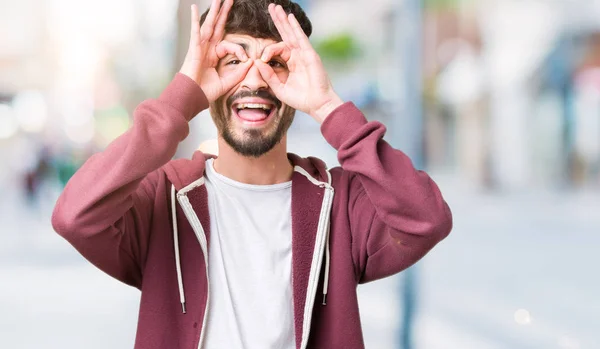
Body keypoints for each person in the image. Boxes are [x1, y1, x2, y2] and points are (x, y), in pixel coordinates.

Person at [51, 0, 453, 348]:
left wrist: (329, 107)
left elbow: (426, 220)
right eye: (233, 62)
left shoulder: (341, 204)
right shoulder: (163, 199)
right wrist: (178, 100)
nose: (257, 79)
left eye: (278, 63)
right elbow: (75, 216)